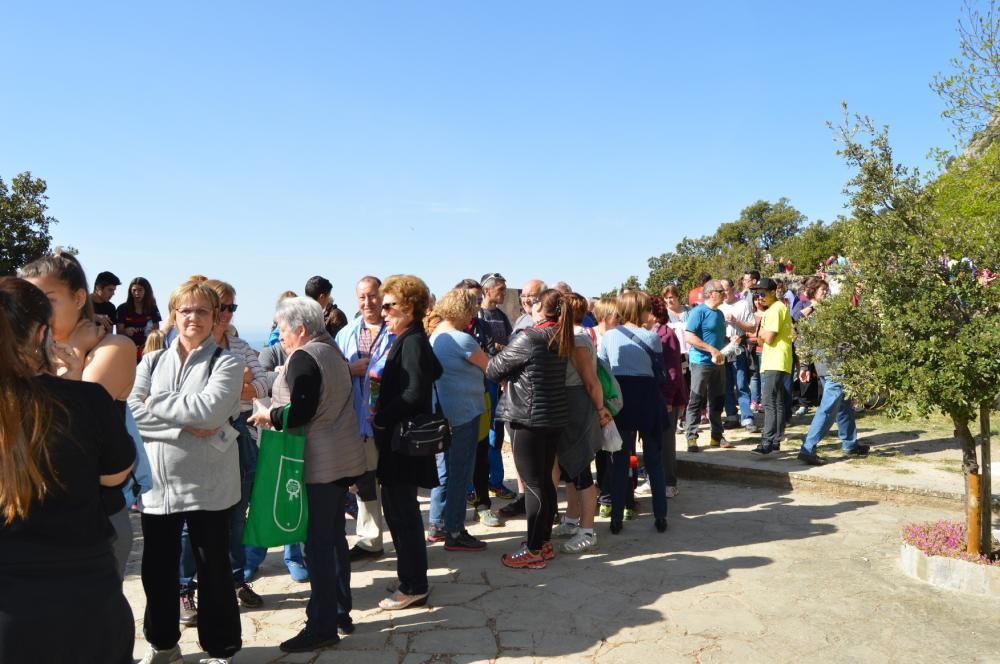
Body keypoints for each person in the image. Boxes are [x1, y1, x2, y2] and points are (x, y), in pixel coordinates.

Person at [0, 279, 137, 664]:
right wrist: (74, 379)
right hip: (83, 596)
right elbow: (114, 475)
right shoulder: (85, 400)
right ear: (43, 332)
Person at [129, 280, 244, 664]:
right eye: (185, 310)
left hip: (209, 486)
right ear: (174, 316)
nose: (192, 317)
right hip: (158, 488)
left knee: (213, 571)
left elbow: (210, 412)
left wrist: (157, 403)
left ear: (214, 318)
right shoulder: (151, 361)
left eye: (201, 311)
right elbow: (132, 411)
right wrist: (185, 420)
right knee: (156, 573)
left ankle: (220, 648)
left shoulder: (226, 362)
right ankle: (163, 644)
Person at [250, 296, 367, 652]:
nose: (278, 336)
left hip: (318, 463)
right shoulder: (331, 350)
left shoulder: (304, 356)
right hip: (342, 458)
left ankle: (321, 626)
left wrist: (269, 415)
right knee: (333, 542)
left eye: (281, 329)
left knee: (318, 546)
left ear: (300, 329)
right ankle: (338, 611)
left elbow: (301, 411)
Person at [20, 255, 141, 579]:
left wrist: (72, 346)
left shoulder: (115, 347)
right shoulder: (29, 352)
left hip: (94, 513)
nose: (35, 309)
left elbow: (81, 418)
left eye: (47, 298)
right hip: (33, 511)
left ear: (78, 298)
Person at [176, 279, 268, 626]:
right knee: (191, 519)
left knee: (237, 513)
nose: (227, 314)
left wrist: (239, 384)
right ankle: (185, 590)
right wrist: (237, 385)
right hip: (201, 435)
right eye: (223, 307)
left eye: (232, 308)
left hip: (240, 432)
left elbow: (262, 382)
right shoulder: (189, 348)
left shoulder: (240, 344)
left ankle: (236, 577)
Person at [370, 275, 441, 609]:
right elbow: (435, 370)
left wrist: (383, 416)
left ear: (410, 306)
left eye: (389, 305)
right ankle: (409, 577)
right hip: (400, 441)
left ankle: (414, 584)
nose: (382, 311)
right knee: (398, 510)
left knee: (402, 514)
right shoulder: (412, 337)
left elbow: (413, 392)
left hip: (402, 441)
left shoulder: (411, 340)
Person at [487, 289, 572, 568]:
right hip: (552, 417)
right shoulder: (562, 335)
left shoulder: (530, 336)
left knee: (533, 485)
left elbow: (494, 368)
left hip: (528, 417)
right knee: (545, 482)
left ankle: (534, 550)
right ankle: (543, 542)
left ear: (539, 308)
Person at [597, 291, 669, 535]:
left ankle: (616, 517)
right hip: (648, 398)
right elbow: (659, 370)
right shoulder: (652, 337)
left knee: (620, 461)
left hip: (621, 399)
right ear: (641, 310)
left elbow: (603, 370)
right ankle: (660, 515)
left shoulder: (608, 337)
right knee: (654, 461)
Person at [425, 289, 491, 551]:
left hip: (444, 412)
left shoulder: (436, 335)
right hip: (463, 413)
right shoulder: (462, 340)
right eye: (472, 311)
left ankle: (437, 523)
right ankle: (455, 530)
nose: (473, 316)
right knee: (459, 473)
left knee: (445, 472)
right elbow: (491, 367)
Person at [550, 293, 613, 554]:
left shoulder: (577, 339)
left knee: (581, 470)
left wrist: (600, 409)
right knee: (571, 468)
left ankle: (587, 530)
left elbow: (590, 381)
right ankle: (572, 520)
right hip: (568, 405)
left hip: (578, 405)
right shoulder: (572, 335)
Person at [334, 276, 390, 562]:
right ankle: (371, 540)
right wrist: (350, 370)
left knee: (393, 483)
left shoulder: (396, 330)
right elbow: (333, 373)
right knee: (365, 481)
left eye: (372, 296)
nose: (368, 302)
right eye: (362, 297)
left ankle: (403, 537)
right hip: (360, 422)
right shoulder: (346, 334)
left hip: (391, 422)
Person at [478, 272, 516, 502]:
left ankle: (496, 481)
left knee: (497, 433)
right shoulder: (478, 317)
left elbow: (510, 346)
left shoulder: (501, 317)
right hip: (485, 383)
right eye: (500, 289)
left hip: (502, 382)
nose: (503, 293)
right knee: (486, 434)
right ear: (488, 290)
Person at [683, 279, 730, 451]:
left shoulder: (720, 314)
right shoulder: (698, 312)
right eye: (721, 291)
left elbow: (718, 337)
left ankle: (717, 436)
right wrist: (711, 349)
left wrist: (730, 343)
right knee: (696, 399)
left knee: (717, 400)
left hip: (718, 362)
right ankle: (692, 437)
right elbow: (689, 337)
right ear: (711, 293)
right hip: (700, 363)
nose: (725, 293)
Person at [751, 278, 794, 457]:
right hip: (776, 359)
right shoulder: (773, 310)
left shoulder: (775, 309)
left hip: (775, 359)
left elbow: (766, 338)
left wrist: (760, 332)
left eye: (763, 293)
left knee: (768, 401)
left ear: (773, 291)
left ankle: (767, 441)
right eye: (757, 294)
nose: (760, 297)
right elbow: (762, 337)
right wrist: (761, 334)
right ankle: (775, 440)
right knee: (776, 401)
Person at [117, 276, 161, 361]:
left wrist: (151, 332)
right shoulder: (122, 308)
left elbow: (156, 331)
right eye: (134, 290)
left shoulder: (153, 308)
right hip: (128, 352)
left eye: (140, 290)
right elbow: (119, 333)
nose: (137, 293)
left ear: (146, 291)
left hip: (148, 352)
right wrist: (125, 331)